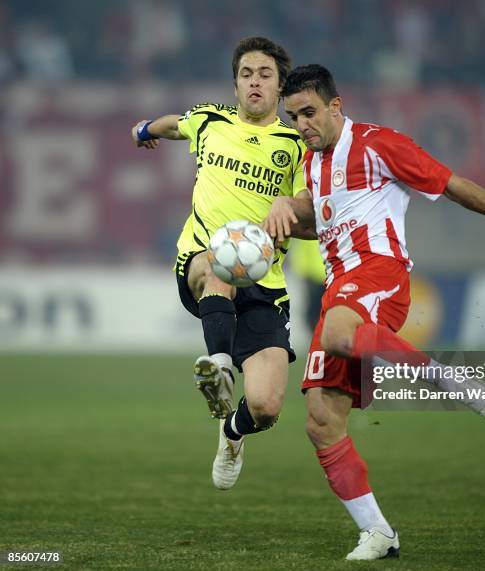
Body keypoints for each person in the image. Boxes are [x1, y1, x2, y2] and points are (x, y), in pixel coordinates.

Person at [263, 64, 485, 561]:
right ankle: (379, 533)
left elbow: (450, 183)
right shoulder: (311, 164)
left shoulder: (378, 143)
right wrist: (286, 213)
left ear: (335, 106)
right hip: (339, 284)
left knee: (336, 333)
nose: (301, 124)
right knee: (321, 421)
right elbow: (321, 222)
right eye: (293, 116)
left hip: (379, 273)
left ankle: (450, 377)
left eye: (309, 112)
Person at [130, 37, 313, 491]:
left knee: (268, 406)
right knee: (221, 262)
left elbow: (312, 211)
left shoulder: (296, 146)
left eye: (265, 74)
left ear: (280, 86)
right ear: (235, 85)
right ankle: (218, 367)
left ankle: (231, 431)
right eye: (246, 74)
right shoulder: (211, 120)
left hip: (265, 281)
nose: (254, 81)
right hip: (203, 258)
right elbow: (178, 125)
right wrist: (146, 129)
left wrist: (290, 207)